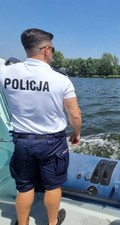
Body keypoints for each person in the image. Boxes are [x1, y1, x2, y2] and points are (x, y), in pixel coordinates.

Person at [0, 28, 82, 225]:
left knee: (24, 186)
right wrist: (76, 133)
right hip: (51, 142)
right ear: (46, 50)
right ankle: (52, 222)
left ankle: (22, 223)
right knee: (53, 185)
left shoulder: (6, 72)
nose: (52, 53)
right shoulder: (61, 79)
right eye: (52, 49)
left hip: (21, 141)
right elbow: (74, 114)